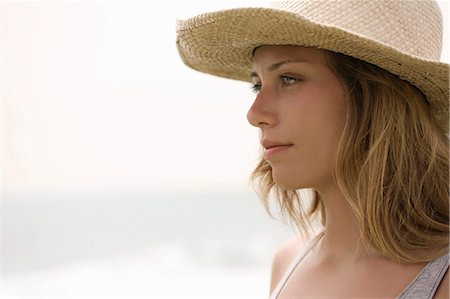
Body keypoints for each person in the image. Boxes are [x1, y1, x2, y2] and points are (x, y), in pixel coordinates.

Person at [176, 1, 449, 298]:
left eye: (288, 79)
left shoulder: (442, 278)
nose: (255, 114)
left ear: (373, 96)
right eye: (257, 85)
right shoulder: (288, 262)